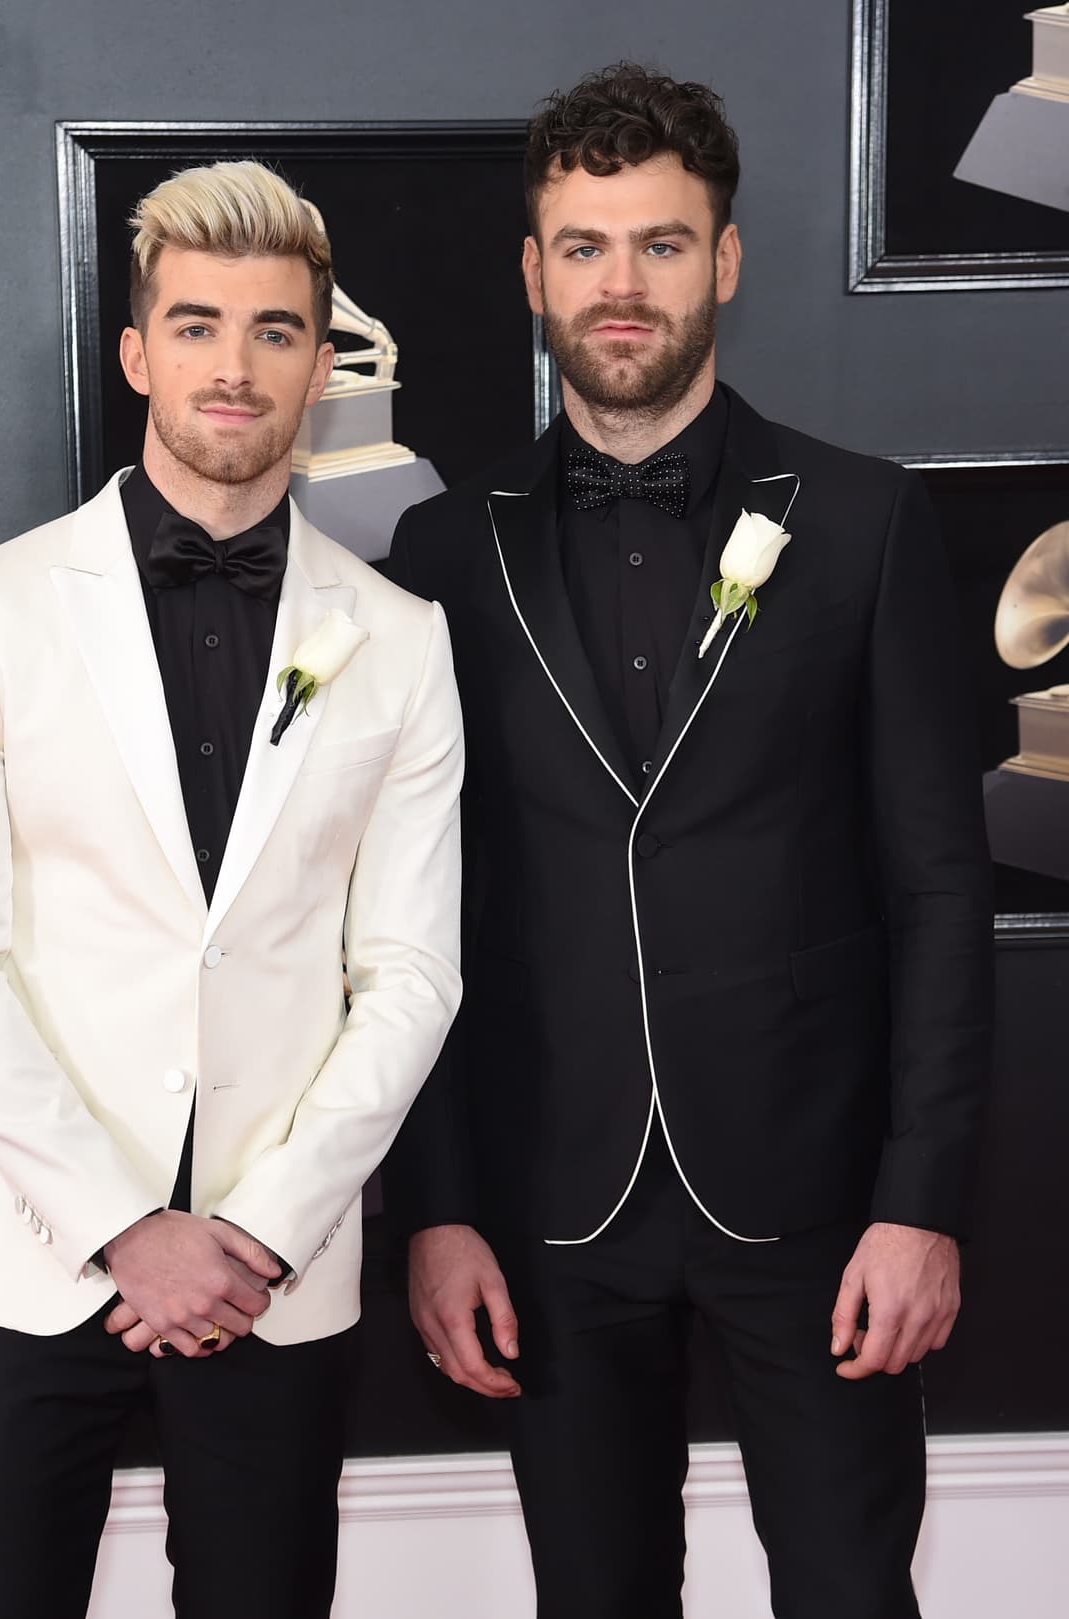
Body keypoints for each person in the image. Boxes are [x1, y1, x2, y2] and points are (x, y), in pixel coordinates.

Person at [383, 63, 992, 1619]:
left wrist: (921, 1199)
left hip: (820, 1200)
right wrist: (440, 1209)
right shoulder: (444, 551)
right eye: (585, 247)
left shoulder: (860, 521)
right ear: (532, 272)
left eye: (660, 244)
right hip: (550, 1203)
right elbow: (410, 913)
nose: (622, 284)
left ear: (722, 261)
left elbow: (938, 886)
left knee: (851, 1592)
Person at [0, 159, 463, 1619]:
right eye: (197, 325)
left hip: (275, 1269)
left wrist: (258, 1232)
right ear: (138, 353)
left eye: (275, 331)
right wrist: (122, 1229)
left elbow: (410, 976)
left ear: (320, 369)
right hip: (23, 1258)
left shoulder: (402, 640)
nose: (234, 367)